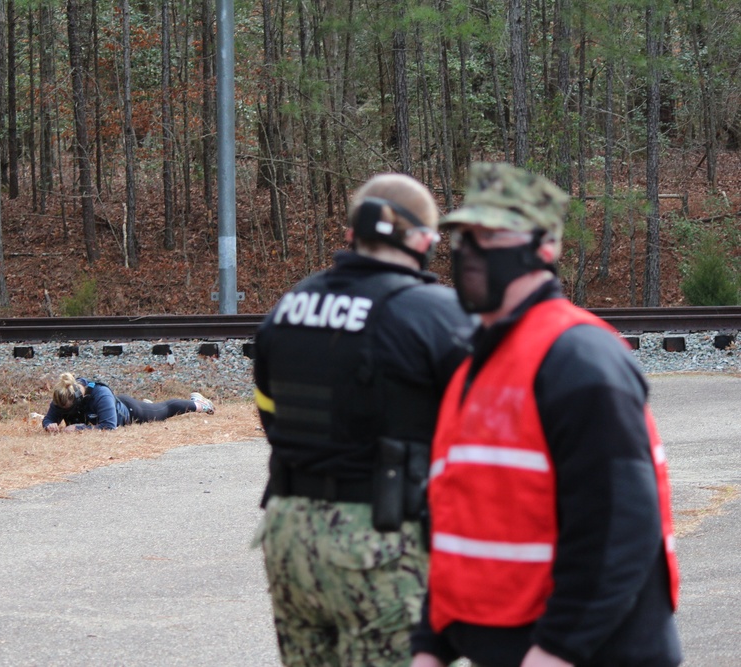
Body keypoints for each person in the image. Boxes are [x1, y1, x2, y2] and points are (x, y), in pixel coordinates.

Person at [411, 162, 681, 667]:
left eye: (492, 234)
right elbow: (461, 518)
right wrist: (431, 643)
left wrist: (556, 650)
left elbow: (620, 526)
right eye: (464, 235)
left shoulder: (579, 357)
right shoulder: (477, 362)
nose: (470, 251)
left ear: (545, 247)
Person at [252, 173, 475, 666]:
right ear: (421, 239)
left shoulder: (289, 307)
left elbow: (270, 414)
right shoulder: (438, 315)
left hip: (288, 531)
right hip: (378, 538)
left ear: (354, 233)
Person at [41, 372, 215, 432]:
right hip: (112, 408)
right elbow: (49, 418)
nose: (62, 412)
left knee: (162, 410)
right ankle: (146, 403)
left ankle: (200, 404)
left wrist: (79, 428)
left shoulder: (101, 395)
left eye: (66, 409)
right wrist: (50, 425)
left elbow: (110, 427)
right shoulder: (63, 396)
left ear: (78, 399)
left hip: (129, 411)